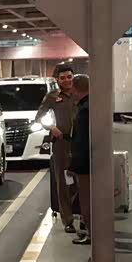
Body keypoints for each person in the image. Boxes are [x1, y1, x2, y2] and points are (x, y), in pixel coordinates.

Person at [37, 65, 78, 233]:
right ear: (57, 80)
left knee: (81, 181)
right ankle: (68, 220)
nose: (67, 80)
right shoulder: (52, 97)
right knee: (62, 183)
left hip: (80, 143)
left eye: (69, 77)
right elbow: (39, 117)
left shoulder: (80, 93)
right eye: (63, 78)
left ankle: (84, 216)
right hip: (61, 144)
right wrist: (51, 127)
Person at [68, 74, 90, 245]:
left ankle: (91, 234)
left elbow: (81, 141)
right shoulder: (91, 105)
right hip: (92, 162)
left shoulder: (84, 110)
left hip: (85, 165)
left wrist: (74, 165)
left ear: (76, 89)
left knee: (87, 201)